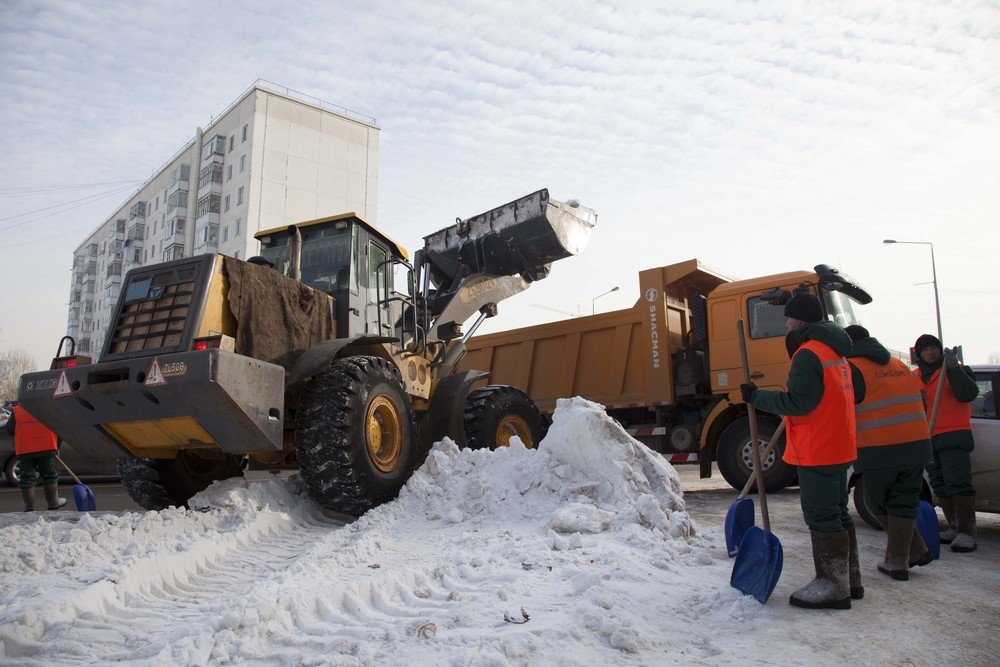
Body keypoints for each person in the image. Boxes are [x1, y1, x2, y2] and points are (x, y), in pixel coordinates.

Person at [741, 292, 858, 610]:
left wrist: (757, 397)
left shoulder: (808, 353)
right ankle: (849, 580)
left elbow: (799, 403)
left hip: (819, 447)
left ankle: (833, 586)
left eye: (789, 318)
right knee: (837, 512)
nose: (786, 323)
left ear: (801, 321)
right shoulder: (836, 349)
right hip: (839, 443)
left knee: (822, 515)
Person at [845, 325, 933, 580]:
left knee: (874, 501)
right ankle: (901, 560)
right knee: (904, 500)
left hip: (879, 447)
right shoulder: (898, 364)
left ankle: (910, 552)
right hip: (916, 444)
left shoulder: (852, 368)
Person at [911, 334, 980, 552]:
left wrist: (955, 370)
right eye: (925, 350)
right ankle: (953, 526)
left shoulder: (954, 370)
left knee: (957, 482)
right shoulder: (914, 377)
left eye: (933, 348)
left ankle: (966, 532)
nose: (930, 352)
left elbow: (969, 394)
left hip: (953, 435)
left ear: (940, 351)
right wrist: (917, 400)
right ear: (919, 354)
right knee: (939, 484)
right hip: (928, 437)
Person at [5, 404, 67, 511]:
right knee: (49, 475)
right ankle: (53, 502)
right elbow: (59, 429)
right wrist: (57, 447)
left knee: (27, 477)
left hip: (25, 449)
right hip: (46, 447)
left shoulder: (17, 410)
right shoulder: (50, 408)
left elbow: (10, 430)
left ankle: (29, 507)